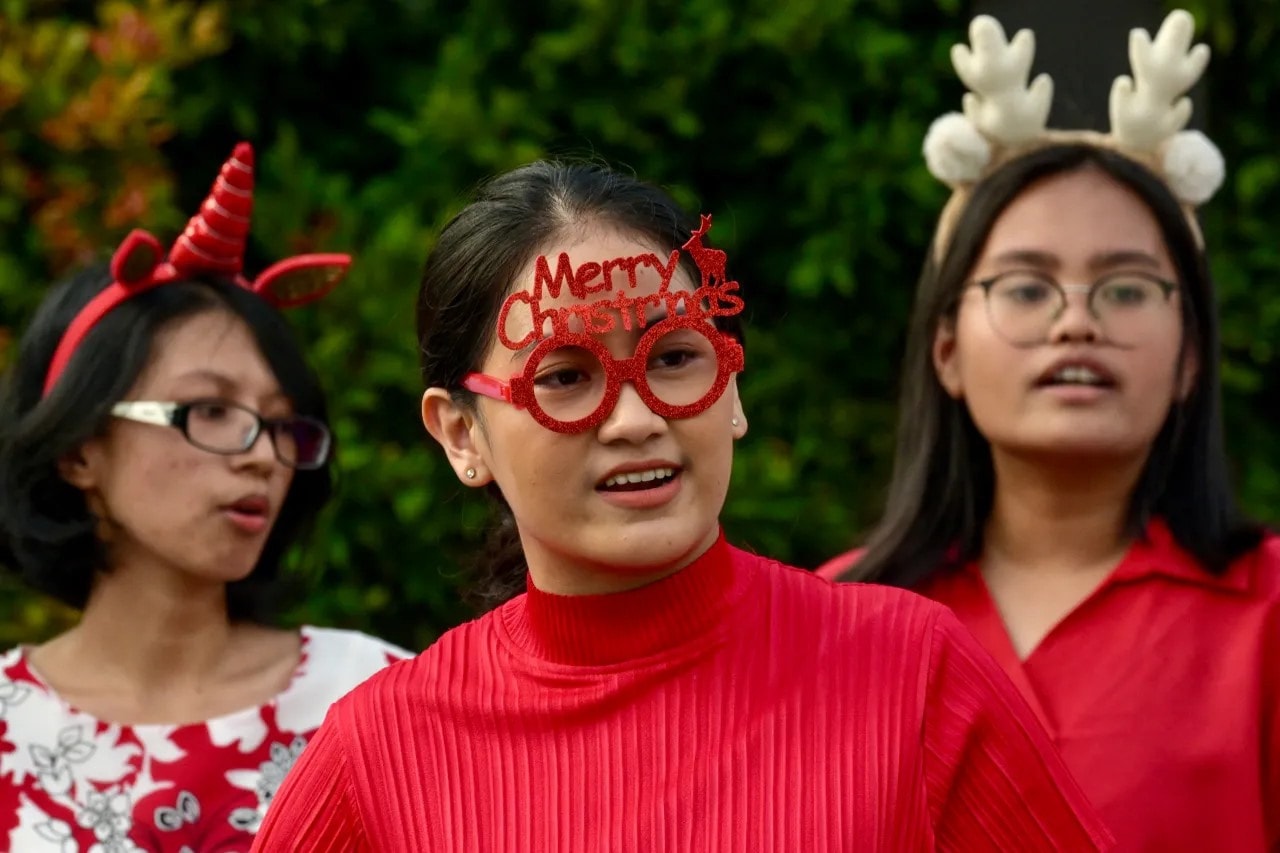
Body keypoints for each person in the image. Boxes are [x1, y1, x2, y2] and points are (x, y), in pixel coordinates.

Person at [252, 160, 1112, 851]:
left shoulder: (910, 672)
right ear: (460, 434)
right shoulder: (385, 749)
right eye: (565, 378)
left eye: (674, 358)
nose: (636, 419)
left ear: (731, 383)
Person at [818, 11, 1278, 850]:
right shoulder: (833, 622)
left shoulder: (1269, 610)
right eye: (1027, 288)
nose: (1076, 324)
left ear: (1190, 359)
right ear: (947, 349)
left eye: (1128, 288)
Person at [0, 143, 409, 851]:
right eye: (209, 411)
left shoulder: (377, 699)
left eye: (280, 423)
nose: (260, 455)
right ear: (79, 449)